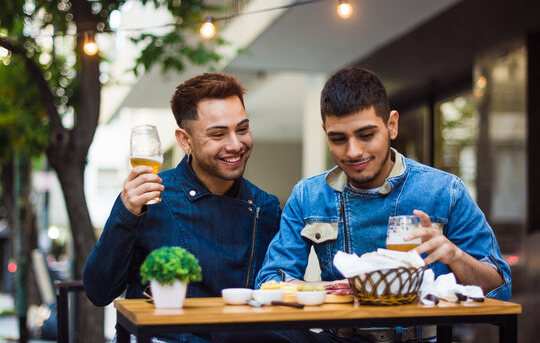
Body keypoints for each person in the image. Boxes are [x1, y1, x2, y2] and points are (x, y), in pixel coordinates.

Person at [255, 66, 511, 342]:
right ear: (325, 132)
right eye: (338, 138)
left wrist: (454, 255)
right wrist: (337, 288)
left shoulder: (444, 191)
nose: (353, 152)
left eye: (366, 135)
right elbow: (271, 281)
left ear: (392, 125)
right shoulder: (308, 195)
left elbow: (499, 288)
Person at [83, 73, 281, 343]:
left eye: (242, 129)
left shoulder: (265, 207)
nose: (236, 144)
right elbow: (99, 291)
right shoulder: (149, 199)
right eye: (218, 134)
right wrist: (126, 212)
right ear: (185, 140)